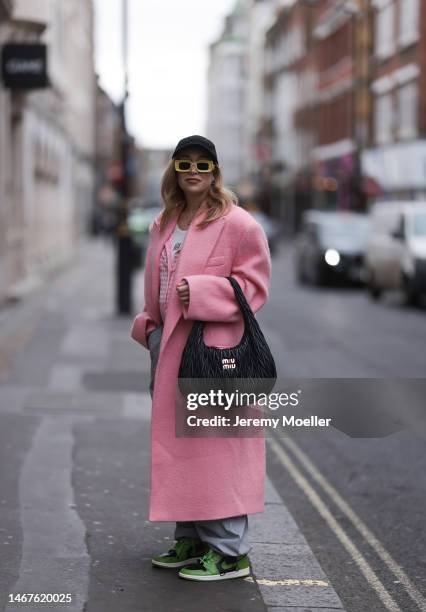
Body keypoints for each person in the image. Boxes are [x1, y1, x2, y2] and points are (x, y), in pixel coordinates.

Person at [131, 135, 272, 582]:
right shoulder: (165, 221)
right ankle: (191, 539)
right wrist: (150, 327)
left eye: (203, 165)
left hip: (214, 354)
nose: (193, 171)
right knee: (181, 451)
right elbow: (158, 280)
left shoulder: (239, 224)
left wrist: (205, 294)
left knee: (219, 450)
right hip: (168, 348)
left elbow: (255, 287)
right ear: (173, 169)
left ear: (215, 172)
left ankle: (231, 552)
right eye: (185, 163)